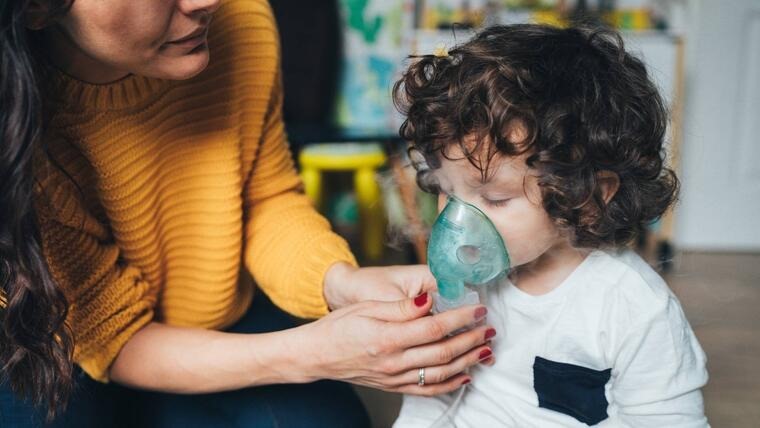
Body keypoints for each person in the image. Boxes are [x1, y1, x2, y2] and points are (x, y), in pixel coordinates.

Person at [0, 1, 498, 426]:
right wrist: (313, 353)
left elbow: (264, 198)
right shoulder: (17, 120)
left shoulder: (238, 20)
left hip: (214, 309)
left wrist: (340, 282)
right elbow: (116, 337)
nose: (205, 2)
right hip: (49, 341)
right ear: (40, 8)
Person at [391, 24, 709, 427]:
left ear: (587, 195)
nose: (456, 222)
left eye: (495, 198)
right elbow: (434, 392)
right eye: (446, 191)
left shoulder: (634, 310)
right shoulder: (466, 283)